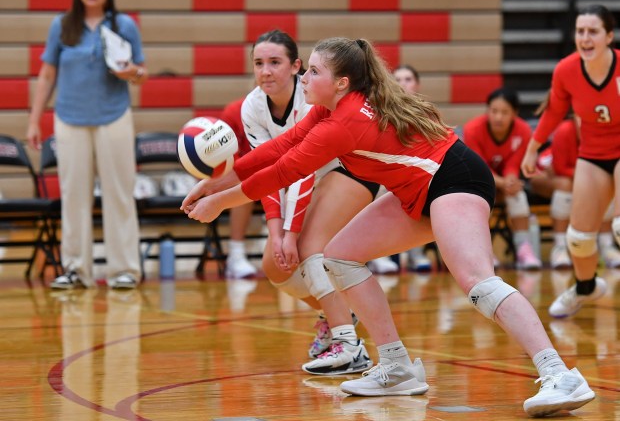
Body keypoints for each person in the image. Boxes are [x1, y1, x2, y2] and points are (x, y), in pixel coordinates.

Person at [182, 36, 595, 417]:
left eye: (312, 72)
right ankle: (396, 366)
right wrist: (214, 180)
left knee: (477, 281)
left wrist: (217, 202)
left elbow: (281, 173)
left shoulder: (341, 124)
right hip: (417, 189)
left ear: (341, 82)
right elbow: (276, 149)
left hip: (455, 178)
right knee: (341, 255)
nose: (304, 77)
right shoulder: (329, 111)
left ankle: (559, 374)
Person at [240, 29, 383, 375]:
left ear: (295, 67)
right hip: (299, 179)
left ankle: (347, 343)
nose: (266, 71)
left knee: (306, 246)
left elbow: (301, 171)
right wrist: (276, 233)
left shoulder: (309, 97)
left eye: (275, 62)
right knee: (276, 266)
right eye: (259, 63)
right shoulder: (252, 107)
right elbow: (267, 173)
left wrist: (290, 234)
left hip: (348, 170)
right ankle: (333, 312)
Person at [27, 0, 148, 290]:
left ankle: (124, 270)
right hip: (70, 120)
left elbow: (142, 73)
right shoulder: (62, 26)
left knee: (119, 194)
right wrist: (34, 120)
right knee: (74, 196)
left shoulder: (124, 25)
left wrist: (130, 73)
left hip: (114, 117)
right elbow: (48, 74)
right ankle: (76, 269)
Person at [521, 4, 619, 318]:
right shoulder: (566, 70)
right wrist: (532, 149)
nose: (586, 38)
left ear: (609, 36)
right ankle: (586, 286)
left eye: (593, 31)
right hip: (593, 154)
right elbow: (553, 112)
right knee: (578, 239)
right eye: (580, 31)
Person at [529, 110, 620, 270]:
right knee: (566, 185)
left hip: (578, 178)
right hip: (545, 174)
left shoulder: (605, 135)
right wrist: (592, 175)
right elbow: (560, 168)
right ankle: (560, 247)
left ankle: (607, 245)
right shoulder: (565, 130)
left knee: (608, 182)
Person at [463, 87, 543, 269]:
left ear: (515, 113)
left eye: (505, 112)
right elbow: (479, 167)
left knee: (518, 196)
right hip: (478, 181)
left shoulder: (523, 130)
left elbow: (514, 164)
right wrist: (502, 183)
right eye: (494, 111)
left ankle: (524, 250)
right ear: (487, 111)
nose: (498, 117)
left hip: (503, 184)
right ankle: (483, 254)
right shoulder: (472, 129)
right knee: (480, 199)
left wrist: (511, 181)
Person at [392, 64, 433, 272]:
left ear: (417, 84)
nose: (402, 84)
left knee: (425, 188)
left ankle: (417, 253)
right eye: (397, 79)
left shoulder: (427, 112)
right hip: (389, 174)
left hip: (417, 171)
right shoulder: (383, 110)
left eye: (408, 79)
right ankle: (382, 255)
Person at [219, 98, 260, 279]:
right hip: (243, 178)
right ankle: (236, 255)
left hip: (279, 176)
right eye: (259, 66)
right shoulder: (234, 111)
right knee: (242, 185)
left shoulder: (298, 111)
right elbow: (226, 162)